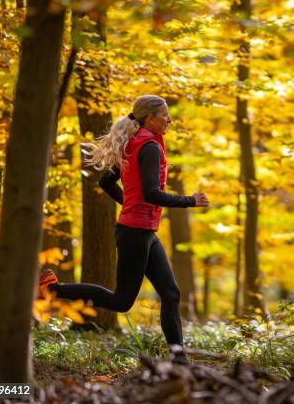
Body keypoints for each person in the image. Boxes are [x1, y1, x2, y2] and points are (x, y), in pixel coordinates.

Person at [38, 95, 208, 362]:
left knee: (171, 294)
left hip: (143, 232)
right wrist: (190, 201)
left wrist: (129, 203)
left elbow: (106, 182)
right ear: (150, 118)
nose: (169, 120)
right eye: (165, 115)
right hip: (135, 233)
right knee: (121, 301)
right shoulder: (149, 147)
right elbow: (151, 193)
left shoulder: (132, 144)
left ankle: (179, 361)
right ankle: (52, 290)